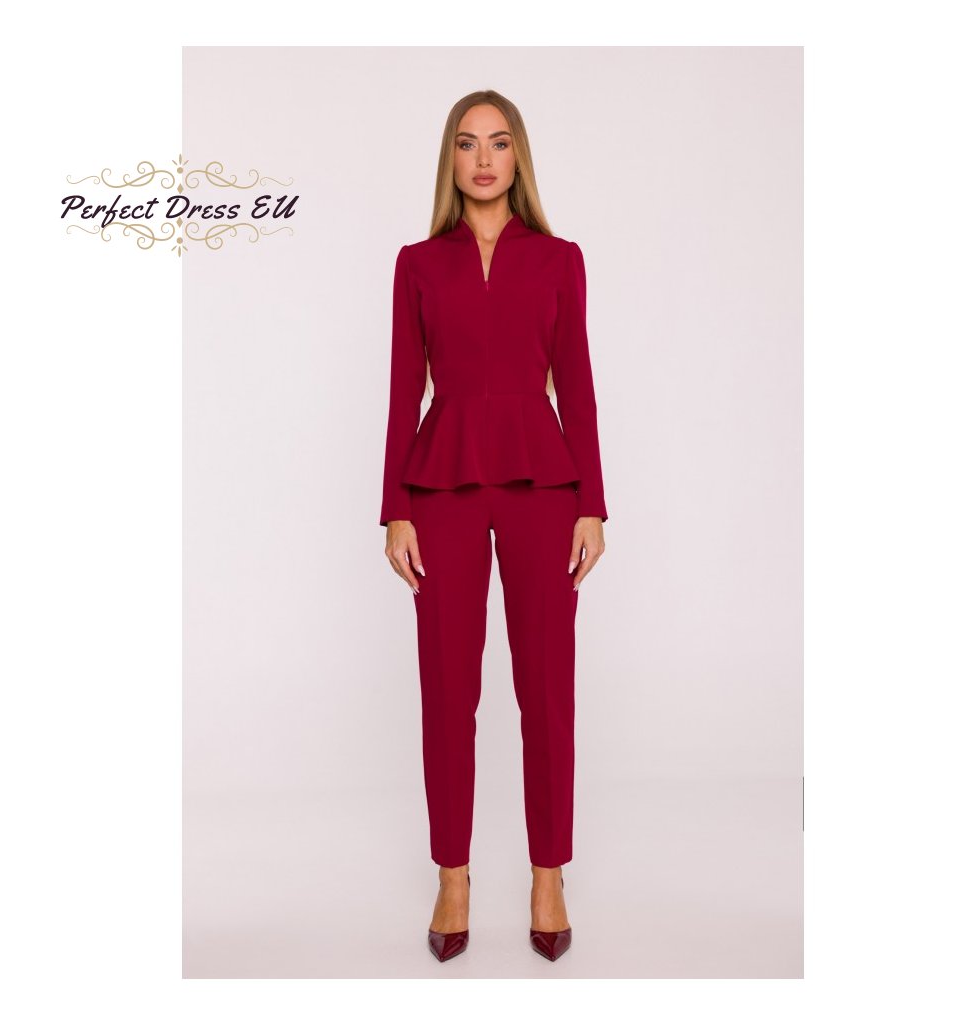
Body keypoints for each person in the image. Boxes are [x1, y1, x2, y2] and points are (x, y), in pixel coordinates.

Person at [380, 90, 608, 963]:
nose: (484, 159)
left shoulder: (558, 258)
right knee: (448, 691)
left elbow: (576, 380)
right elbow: (403, 387)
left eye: (500, 143)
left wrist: (592, 501)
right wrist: (395, 506)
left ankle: (549, 873)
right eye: (469, 144)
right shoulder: (417, 263)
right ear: (451, 158)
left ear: (519, 158)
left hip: (545, 486)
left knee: (546, 688)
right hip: (440, 486)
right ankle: (453, 874)